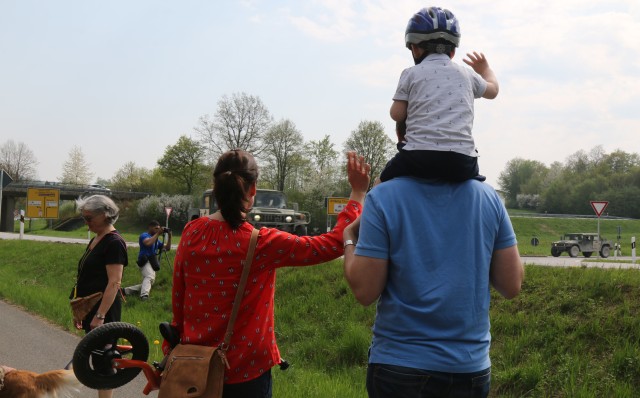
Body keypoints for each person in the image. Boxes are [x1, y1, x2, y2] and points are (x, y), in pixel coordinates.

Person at [164, 149, 370, 398]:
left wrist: (171, 346)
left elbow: (179, 296)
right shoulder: (261, 243)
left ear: (215, 187)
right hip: (246, 374)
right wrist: (358, 193)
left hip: (192, 369)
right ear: (252, 190)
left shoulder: (191, 232)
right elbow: (333, 243)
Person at [343, 177, 524, 397]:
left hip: (400, 367)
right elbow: (511, 284)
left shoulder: (384, 196)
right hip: (469, 369)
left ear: (403, 140)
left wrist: (349, 237)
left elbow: (365, 291)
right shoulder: (488, 197)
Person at [380, 6, 499, 183]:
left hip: (418, 157)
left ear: (415, 48)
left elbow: (396, 114)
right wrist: (485, 69)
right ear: (453, 51)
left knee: (380, 183)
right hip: (463, 161)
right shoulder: (467, 74)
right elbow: (493, 91)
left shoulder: (410, 73)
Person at [73, 195, 128, 398]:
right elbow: (85, 277)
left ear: (105, 215)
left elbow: (114, 282)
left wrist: (101, 315)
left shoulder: (114, 242)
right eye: (84, 218)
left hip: (104, 311)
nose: (86, 223)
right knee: (97, 359)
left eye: (89, 218)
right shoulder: (96, 239)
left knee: (103, 361)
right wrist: (80, 310)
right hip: (91, 309)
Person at [123, 220, 171, 301]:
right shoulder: (144, 235)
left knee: (149, 282)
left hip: (152, 262)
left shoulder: (156, 239)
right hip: (144, 261)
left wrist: (170, 236)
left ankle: (124, 291)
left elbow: (167, 248)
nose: (157, 230)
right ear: (150, 227)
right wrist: (158, 234)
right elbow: (148, 243)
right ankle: (144, 296)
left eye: (159, 228)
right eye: (156, 228)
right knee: (149, 277)